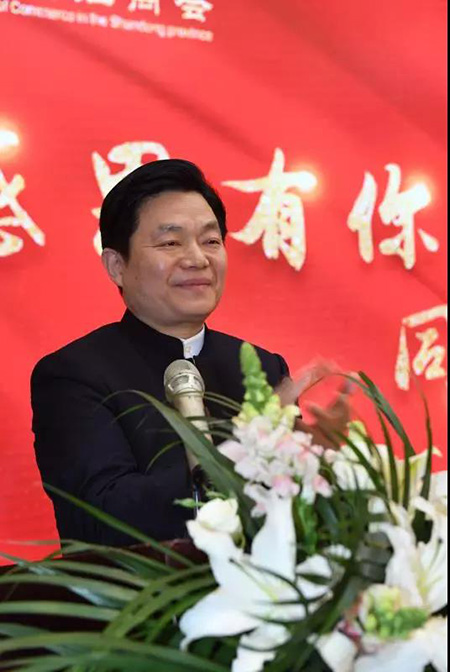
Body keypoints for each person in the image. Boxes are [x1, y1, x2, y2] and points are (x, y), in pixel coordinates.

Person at [31, 159, 349, 548]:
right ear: (116, 266)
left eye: (211, 241)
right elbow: (105, 518)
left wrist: (317, 457)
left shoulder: (262, 367)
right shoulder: (74, 375)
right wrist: (252, 445)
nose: (197, 258)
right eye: (171, 242)